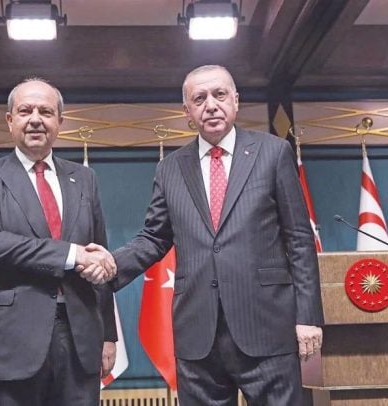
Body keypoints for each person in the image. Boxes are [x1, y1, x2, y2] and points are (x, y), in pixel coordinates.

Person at [106, 65, 324, 405]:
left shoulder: (273, 152)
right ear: (187, 111)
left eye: (219, 95)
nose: (211, 105)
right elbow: (154, 238)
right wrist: (108, 266)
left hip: (268, 328)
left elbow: (298, 238)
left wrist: (308, 318)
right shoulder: (170, 168)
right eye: (199, 99)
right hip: (198, 334)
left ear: (235, 100)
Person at [0, 78, 118, 406]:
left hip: (80, 337)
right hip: (9, 339)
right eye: (25, 111)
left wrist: (108, 335)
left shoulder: (84, 178)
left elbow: (97, 253)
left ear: (60, 121)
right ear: (10, 120)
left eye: (45, 112)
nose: (35, 119)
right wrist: (72, 254)